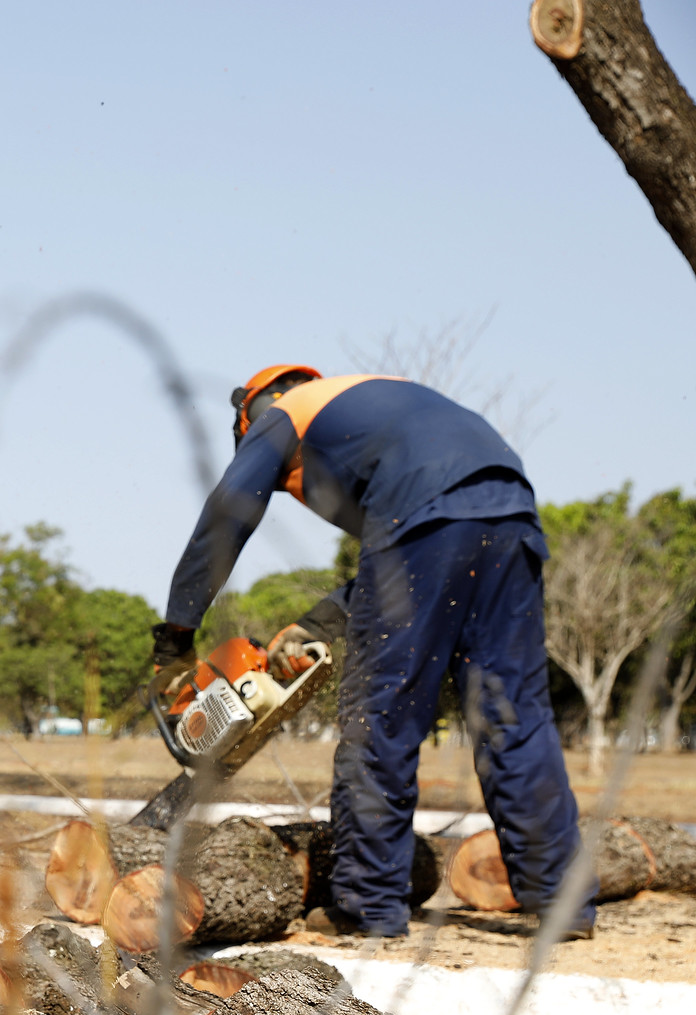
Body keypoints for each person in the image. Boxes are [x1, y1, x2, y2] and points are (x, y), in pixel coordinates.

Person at [151, 367, 594, 940]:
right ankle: (563, 901)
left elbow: (228, 512)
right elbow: (417, 553)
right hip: (510, 513)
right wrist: (314, 625)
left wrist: (176, 636)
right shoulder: (372, 405)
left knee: (379, 717)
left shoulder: (282, 413)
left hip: (429, 520)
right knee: (515, 716)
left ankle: (369, 904)